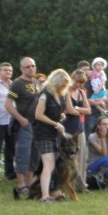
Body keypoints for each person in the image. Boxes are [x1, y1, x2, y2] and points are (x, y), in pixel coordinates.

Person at [4, 56, 41, 198]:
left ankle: (30, 182)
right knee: (22, 154)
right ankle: (21, 184)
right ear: (21, 69)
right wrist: (20, 119)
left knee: (34, 154)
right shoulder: (17, 84)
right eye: (28, 67)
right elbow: (8, 104)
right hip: (24, 125)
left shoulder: (38, 83)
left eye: (33, 65)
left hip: (37, 124)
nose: (31, 68)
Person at [33, 69, 71, 203]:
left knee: (53, 164)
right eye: (62, 83)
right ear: (56, 81)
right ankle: (44, 196)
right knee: (48, 164)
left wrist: (60, 116)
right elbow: (38, 115)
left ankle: (52, 192)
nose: (63, 86)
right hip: (44, 134)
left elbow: (55, 111)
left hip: (55, 134)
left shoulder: (59, 95)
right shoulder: (45, 95)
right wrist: (55, 124)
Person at [63, 69, 91, 191]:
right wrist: (79, 109)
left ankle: (82, 185)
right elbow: (70, 110)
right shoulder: (66, 91)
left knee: (82, 158)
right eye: (77, 82)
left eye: (82, 83)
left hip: (79, 129)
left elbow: (88, 110)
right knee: (68, 158)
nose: (79, 85)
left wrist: (77, 108)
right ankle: (70, 185)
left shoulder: (81, 92)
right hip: (67, 128)